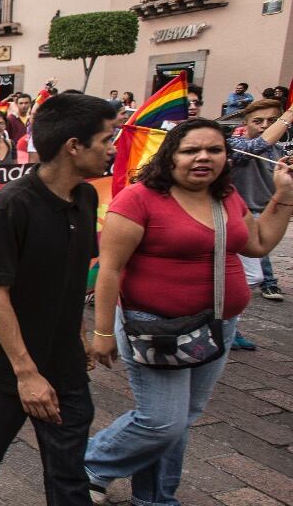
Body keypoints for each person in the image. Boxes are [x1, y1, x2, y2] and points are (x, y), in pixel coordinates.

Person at [85, 119, 293, 506]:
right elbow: (110, 269)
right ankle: (87, 465)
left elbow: (259, 243)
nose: (203, 157)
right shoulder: (138, 199)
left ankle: (155, 497)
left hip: (217, 325)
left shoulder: (226, 195)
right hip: (156, 328)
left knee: (182, 418)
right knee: (161, 421)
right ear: (170, 156)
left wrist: (284, 195)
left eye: (214, 150)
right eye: (191, 150)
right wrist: (102, 333)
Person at [0, 94, 116, 506]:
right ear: (73, 146)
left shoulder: (86, 198)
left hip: (66, 365)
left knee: (69, 476)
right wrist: (26, 374)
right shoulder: (12, 205)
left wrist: (79, 334)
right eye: (106, 140)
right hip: (8, 369)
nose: (112, 149)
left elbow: (68, 277)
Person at [227, 99, 293, 304]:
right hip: (241, 214)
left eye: (272, 120)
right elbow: (257, 145)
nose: (265, 125)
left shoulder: (279, 151)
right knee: (252, 275)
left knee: (255, 262)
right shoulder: (235, 144)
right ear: (245, 123)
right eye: (258, 121)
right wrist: (289, 113)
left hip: (267, 212)